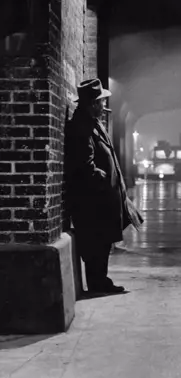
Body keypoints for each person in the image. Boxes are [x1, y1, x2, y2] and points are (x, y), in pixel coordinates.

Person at [64, 78, 142, 295]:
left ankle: (101, 280)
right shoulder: (82, 127)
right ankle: (97, 284)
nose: (104, 106)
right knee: (96, 244)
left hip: (102, 200)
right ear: (91, 103)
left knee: (102, 242)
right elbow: (84, 165)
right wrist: (104, 181)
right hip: (94, 202)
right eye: (100, 102)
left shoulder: (92, 123)